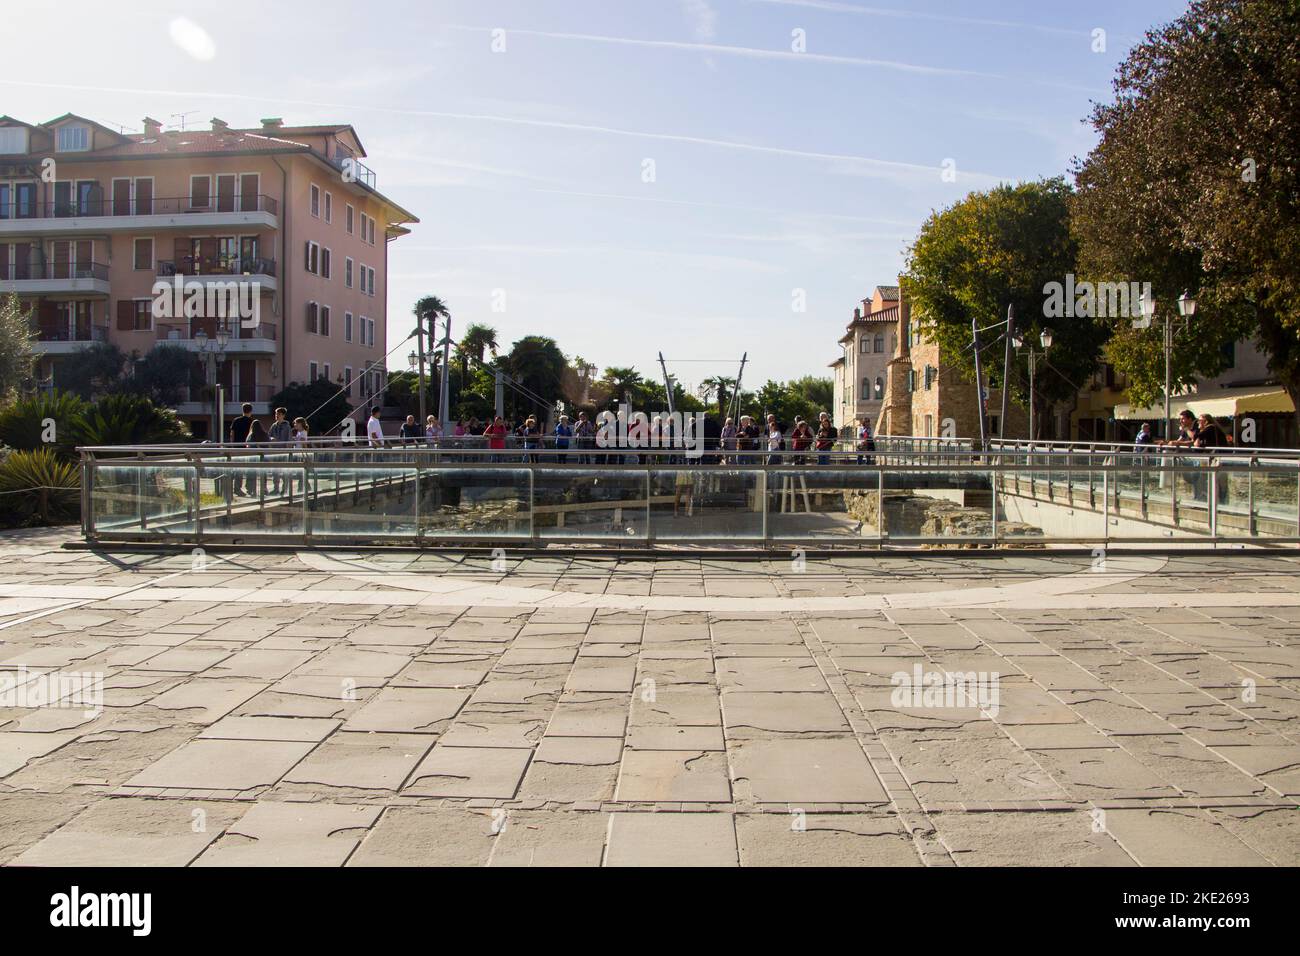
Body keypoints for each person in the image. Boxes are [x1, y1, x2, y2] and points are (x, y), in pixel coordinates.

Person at [227, 402, 255, 496]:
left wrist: (232, 446)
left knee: (238, 468)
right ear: (251, 411)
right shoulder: (252, 421)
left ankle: (237, 488)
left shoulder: (236, 420)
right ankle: (249, 488)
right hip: (248, 448)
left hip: (237, 448)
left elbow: (232, 434)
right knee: (249, 469)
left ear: (242, 410)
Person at [268, 407, 293, 494]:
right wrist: (271, 439)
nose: (276, 416)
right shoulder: (273, 425)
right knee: (275, 471)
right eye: (276, 414)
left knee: (284, 472)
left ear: (283, 415)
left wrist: (288, 451)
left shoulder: (287, 426)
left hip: (283, 452)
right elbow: (268, 436)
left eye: (278, 414)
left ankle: (284, 489)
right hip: (275, 452)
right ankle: (276, 488)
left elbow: (289, 440)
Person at [246, 419, 270, 497]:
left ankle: (252, 490)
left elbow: (248, 446)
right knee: (263, 474)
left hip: (253, 458)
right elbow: (269, 444)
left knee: (252, 474)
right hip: (263, 457)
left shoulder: (250, 435)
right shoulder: (264, 434)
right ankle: (264, 489)